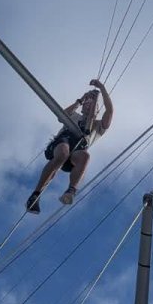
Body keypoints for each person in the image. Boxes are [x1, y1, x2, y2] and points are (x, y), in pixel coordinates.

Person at [26, 79, 113, 213]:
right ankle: (35, 195)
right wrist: (81, 100)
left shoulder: (97, 126)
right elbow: (61, 116)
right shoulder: (74, 115)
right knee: (62, 154)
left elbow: (110, 111)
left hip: (77, 151)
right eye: (87, 104)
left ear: (97, 110)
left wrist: (102, 89)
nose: (89, 106)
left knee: (85, 156)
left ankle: (71, 190)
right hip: (61, 143)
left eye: (92, 105)